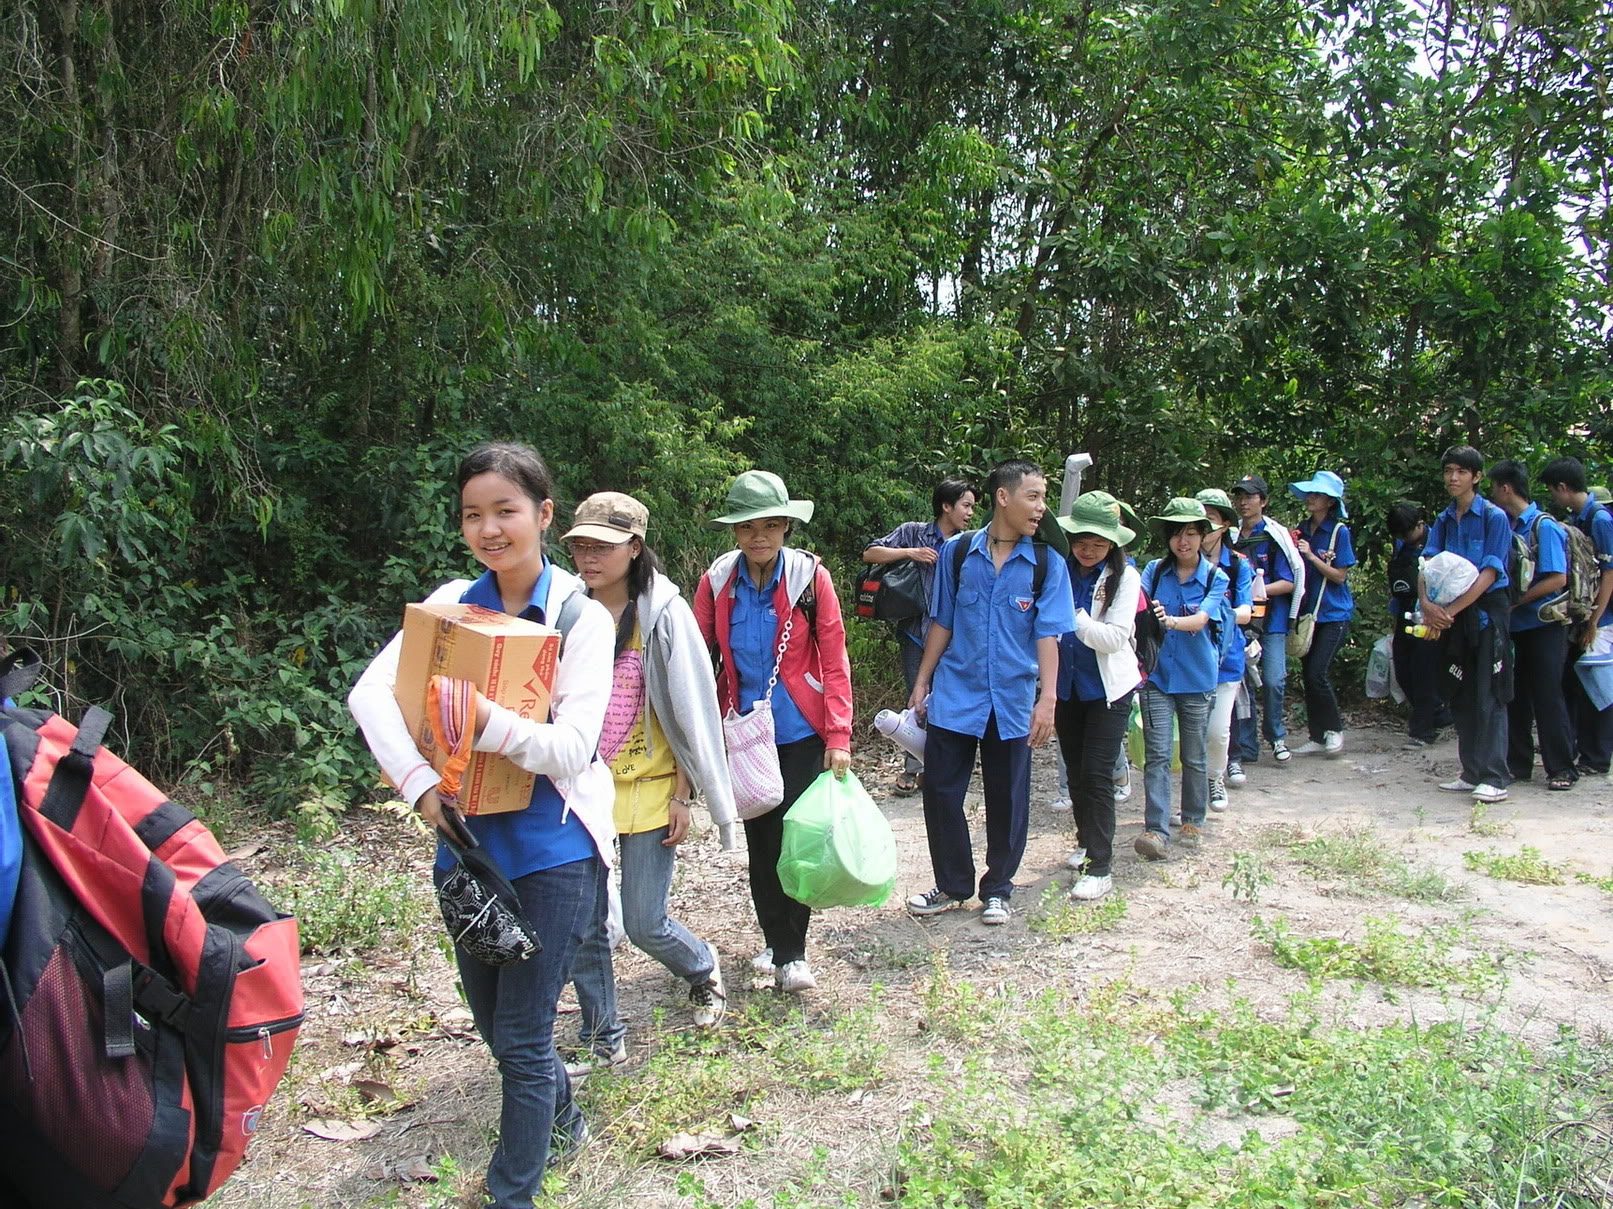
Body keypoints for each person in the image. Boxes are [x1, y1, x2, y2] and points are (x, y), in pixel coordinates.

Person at [348, 442, 613, 1208]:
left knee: (526, 1040)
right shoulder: (450, 604)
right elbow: (370, 695)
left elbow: (573, 747)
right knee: (497, 1030)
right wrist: (421, 784)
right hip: (467, 849)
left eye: (506, 510)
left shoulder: (578, 618)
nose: (490, 528)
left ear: (543, 515)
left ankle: (510, 1193)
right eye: (474, 514)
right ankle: (564, 1118)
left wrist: (488, 721)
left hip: (553, 850)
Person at [561, 492, 740, 1077]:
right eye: (581, 545)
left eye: (603, 547)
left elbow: (690, 708)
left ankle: (700, 966)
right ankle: (601, 1033)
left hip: (653, 784)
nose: (589, 557)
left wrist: (685, 794)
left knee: (642, 921)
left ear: (634, 548)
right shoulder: (566, 609)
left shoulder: (663, 612)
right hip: (581, 788)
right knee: (586, 923)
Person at [693, 471, 853, 993]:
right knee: (762, 842)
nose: (758, 536)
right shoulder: (718, 582)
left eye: (769, 525)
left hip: (801, 729)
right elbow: (697, 659)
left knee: (796, 838)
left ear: (786, 526)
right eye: (747, 527)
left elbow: (833, 657)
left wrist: (838, 735)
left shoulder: (810, 579)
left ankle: (794, 952)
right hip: (742, 731)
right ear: (734, 533)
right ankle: (774, 939)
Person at [906, 459, 1076, 924]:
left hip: (1012, 700)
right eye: (1034, 496)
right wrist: (923, 679)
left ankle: (998, 887)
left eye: (1043, 497)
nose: (1041, 507)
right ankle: (952, 884)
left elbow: (1048, 636)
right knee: (940, 791)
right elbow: (942, 620)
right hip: (956, 694)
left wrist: (1048, 700)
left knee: (1008, 796)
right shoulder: (959, 554)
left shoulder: (1046, 564)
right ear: (1004, 497)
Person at [1051, 494, 1141, 901]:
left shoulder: (1125, 577)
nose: (1088, 550)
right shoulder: (1059, 569)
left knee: (1097, 774)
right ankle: (1087, 842)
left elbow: (1114, 638)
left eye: (1099, 544)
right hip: (1066, 686)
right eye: (1082, 541)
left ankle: (1101, 866)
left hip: (1108, 691)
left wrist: (1074, 618)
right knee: (1074, 771)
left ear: (1113, 545)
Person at [862, 479, 978, 793]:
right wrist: (909, 553)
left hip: (953, 639)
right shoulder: (914, 532)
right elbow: (870, 554)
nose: (970, 512)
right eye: (965, 505)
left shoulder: (969, 543)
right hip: (916, 633)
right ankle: (913, 769)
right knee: (917, 701)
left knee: (948, 702)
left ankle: (941, 768)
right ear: (946, 506)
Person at [1134, 498, 1228, 861]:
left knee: (1194, 754)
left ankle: (1193, 820)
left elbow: (1202, 620)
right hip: (1156, 676)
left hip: (1197, 678)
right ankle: (1155, 829)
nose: (1183, 541)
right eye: (1176, 534)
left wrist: (1168, 620)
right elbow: (1138, 608)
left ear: (1204, 536)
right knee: (1156, 754)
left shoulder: (1216, 577)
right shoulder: (1154, 572)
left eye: (1191, 533)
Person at [1420, 446, 1513, 803]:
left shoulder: (1493, 517)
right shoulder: (1443, 519)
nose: (1453, 478)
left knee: (1490, 693)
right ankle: (1470, 771)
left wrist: (1452, 610)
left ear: (1476, 476)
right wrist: (1427, 605)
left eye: (1461, 471)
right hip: (1449, 617)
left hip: (1486, 615)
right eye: (1448, 471)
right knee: (1458, 690)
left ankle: (1494, 776)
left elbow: (1490, 572)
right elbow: (1425, 565)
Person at [1487, 462, 1575, 790]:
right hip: (1515, 627)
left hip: (1543, 626)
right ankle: (1518, 764)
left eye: (1494, 487)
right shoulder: (1505, 526)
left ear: (1505, 488)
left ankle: (1562, 769)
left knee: (1548, 696)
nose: (1492, 495)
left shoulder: (1543, 527)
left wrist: (1517, 601)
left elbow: (1557, 578)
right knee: (1515, 695)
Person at [1541, 457, 1613, 778]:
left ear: (1563, 487)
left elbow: (1610, 573)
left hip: (1602, 617)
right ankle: (1576, 747)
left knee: (1595, 685)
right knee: (1574, 682)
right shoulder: (1576, 517)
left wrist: (1595, 620)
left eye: (1553, 491)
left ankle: (1597, 757)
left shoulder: (1599, 519)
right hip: (1583, 614)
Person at [1230, 475, 1303, 774]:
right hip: (1240, 623)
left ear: (1264, 500)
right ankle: (1247, 746)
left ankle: (1276, 736)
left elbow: (1289, 581)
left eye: (1250, 496)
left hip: (1270, 622)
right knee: (1241, 684)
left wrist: (1253, 589)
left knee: (1273, 679)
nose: (1244, 502)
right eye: (1239, 496)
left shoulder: (1274, 536)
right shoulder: (1231, 537)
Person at [1289, 471, 1357, 758]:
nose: (1310, 498)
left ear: (1330, 501)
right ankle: (1316, 735)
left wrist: (1312, 557)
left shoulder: (1340, 532)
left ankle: (1334, 731)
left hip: (1333, 613)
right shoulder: (1301, 530)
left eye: (1317, 494)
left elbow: (1340, 576)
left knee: (1318, 672)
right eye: (1309, 493)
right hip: (1308, 614)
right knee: (1308, 674)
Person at [1196, 489, 1252, 811]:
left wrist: (1216, 610)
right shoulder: (1179, 563)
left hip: (1226, 659)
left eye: (1210, 520)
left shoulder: (1237, 566)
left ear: (1225, 525)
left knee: (1218, 732)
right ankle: (1191, 794)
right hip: (1189, 660)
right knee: (1190, 733)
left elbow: (1247, 609)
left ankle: (1215, 777)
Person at [1385, 503, 1451, 748]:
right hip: (1404, 612)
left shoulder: (1437, 542)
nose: (1403, 538)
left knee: (1424, 671)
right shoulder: (1401, 544)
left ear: (1420, 525)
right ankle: (1440, 714)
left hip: (1430, 613)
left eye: (1407, 533)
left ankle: (1423, 731)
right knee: (1403, 670)